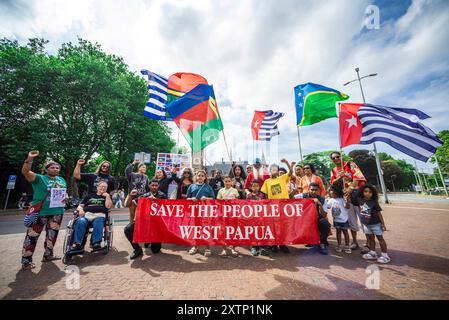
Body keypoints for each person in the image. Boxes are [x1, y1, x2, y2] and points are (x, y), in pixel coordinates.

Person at [21, 150, 67, 270]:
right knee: (32, 236)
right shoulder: (39, 178)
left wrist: (65, 197)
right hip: (40, 212)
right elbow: (25, 172)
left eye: (58, 167)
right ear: (47, 169)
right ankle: (26, 260)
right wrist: (29, 159)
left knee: (52, 236)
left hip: (57, 212)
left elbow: (63, 193)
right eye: (53, 167)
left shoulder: (61, 180)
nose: (56, 169)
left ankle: (48, 255)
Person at [330, 151, 366, 252]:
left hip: (358, 196)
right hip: (346, 198)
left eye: (337, 156)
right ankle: (354, 242)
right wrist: (340, 177)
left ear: (341, 157)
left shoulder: (350, 164)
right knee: (351, 220)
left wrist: (351, 188)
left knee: (364, 219)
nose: (336, 159)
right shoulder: (333, 170)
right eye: (333, 158)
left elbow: (358, 177)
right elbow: (332, 182)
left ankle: (368, 243)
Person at [124, 179, 167, 260]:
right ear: (149, 186)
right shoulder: (144, 195)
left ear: (158, 186)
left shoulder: (163, 195)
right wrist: (130, 195)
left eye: (156, 185)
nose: (154, 187)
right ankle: (137, 249)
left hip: (156, 224)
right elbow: (128, 204)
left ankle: (150, 239)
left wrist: (156, 201)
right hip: (143, 222)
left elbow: (168, 208)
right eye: (152, 185)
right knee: (128, 229)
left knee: (155, 250)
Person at [260, 159, 295, 254]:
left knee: (283, 225)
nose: (274, 170)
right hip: (273, 207)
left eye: (276, 169)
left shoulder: (282, 178)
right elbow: (264, 195)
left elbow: (291, 172)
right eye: (272, 169)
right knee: (274, 226)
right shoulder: (267, 181)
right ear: (269, 170)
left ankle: (283, 244)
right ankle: (274, 244)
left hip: (283, 206)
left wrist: (287, 163)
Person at [349, 185, 390, 263]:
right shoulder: (359, 200)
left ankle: (385, 255)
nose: (367, 193)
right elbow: (351, 200)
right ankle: (372, 252)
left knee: (380, 239)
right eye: (365, 191)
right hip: (366, 224)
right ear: (362, 192)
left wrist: (382, 224)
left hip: (375, 224)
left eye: (370, 192)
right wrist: (348, 194)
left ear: (373, 193)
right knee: (371, 238)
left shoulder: (374, 202)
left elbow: (379, 213)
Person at [69, 181, 112, 252]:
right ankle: (78, 244)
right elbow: (80, 206)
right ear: (97, 187)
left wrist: (107, 196)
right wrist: (81, 210)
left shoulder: (107, 197)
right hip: (87, 215)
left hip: (99, 215)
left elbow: (108, 206)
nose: (103, 188)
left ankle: (96, 243)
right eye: (101, 186)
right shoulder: (90, 196)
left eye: (105, 187)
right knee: (81, 221)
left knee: (98, 221)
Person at [295, 182, 331, 255]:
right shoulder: (303, 195)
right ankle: (310, 240)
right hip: (305, 219)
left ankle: (322, 243)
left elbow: (324, 215)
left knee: (325, 223)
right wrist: (293, 191)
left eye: (315, 190)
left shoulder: (322, 199)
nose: (313, 191)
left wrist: (320, 205)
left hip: (317, 218)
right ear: (308, 189)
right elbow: (291, 198)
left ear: (318, 191)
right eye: (312, 189)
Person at [187, 170, 216, 257]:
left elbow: (213, 198)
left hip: (205, 211)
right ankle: (195, 246)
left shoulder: (208, 187)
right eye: (199, 175)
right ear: (196, 176)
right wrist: (191, 198)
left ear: (205, 177)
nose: (200, 177)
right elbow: (187, 198)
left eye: (202, 175)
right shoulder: (191, 186)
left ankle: (207, 247)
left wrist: (206, 198)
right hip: (195, 211)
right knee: (195, 228)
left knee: (206, 228)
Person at [216, 176, 239, 257]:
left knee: (233, 231)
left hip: (233, 214)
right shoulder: (221, 191)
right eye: (226, 181)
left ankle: (233, 249)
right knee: (223, 231)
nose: (227, 183)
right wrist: (222, 201)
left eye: (229, 181)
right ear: (223, 182)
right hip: (224, 215)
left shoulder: (235, 190)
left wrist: (233, 201)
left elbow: (238, 201)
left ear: (231, 182)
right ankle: (224, 249)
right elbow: (217, 202)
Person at [246, 179, 270, 257]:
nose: (255, 188)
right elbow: (246, 205)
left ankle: (262, 247)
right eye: (253, 186)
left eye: (257, 186)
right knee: (253, 231)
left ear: (259, 186)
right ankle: (254, 247)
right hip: (252, 217)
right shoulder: (249, 195)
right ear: (251, 187)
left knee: (262, 231)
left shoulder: (263, 195)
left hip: (262, 217)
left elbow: (267, 204)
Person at [326, 185, 352, 254]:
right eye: (330, 193)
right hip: (336, 220)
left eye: (332, 193)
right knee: (338, 232)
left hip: (344, 220)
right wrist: (326, 200)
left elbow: (347, 207)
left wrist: (347, 201)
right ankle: (339, 245)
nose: (331, 194)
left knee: (345, 232)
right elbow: (328, 207)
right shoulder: (331, 200)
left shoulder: (342, 199)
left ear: (337, 193)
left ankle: (347, 246)